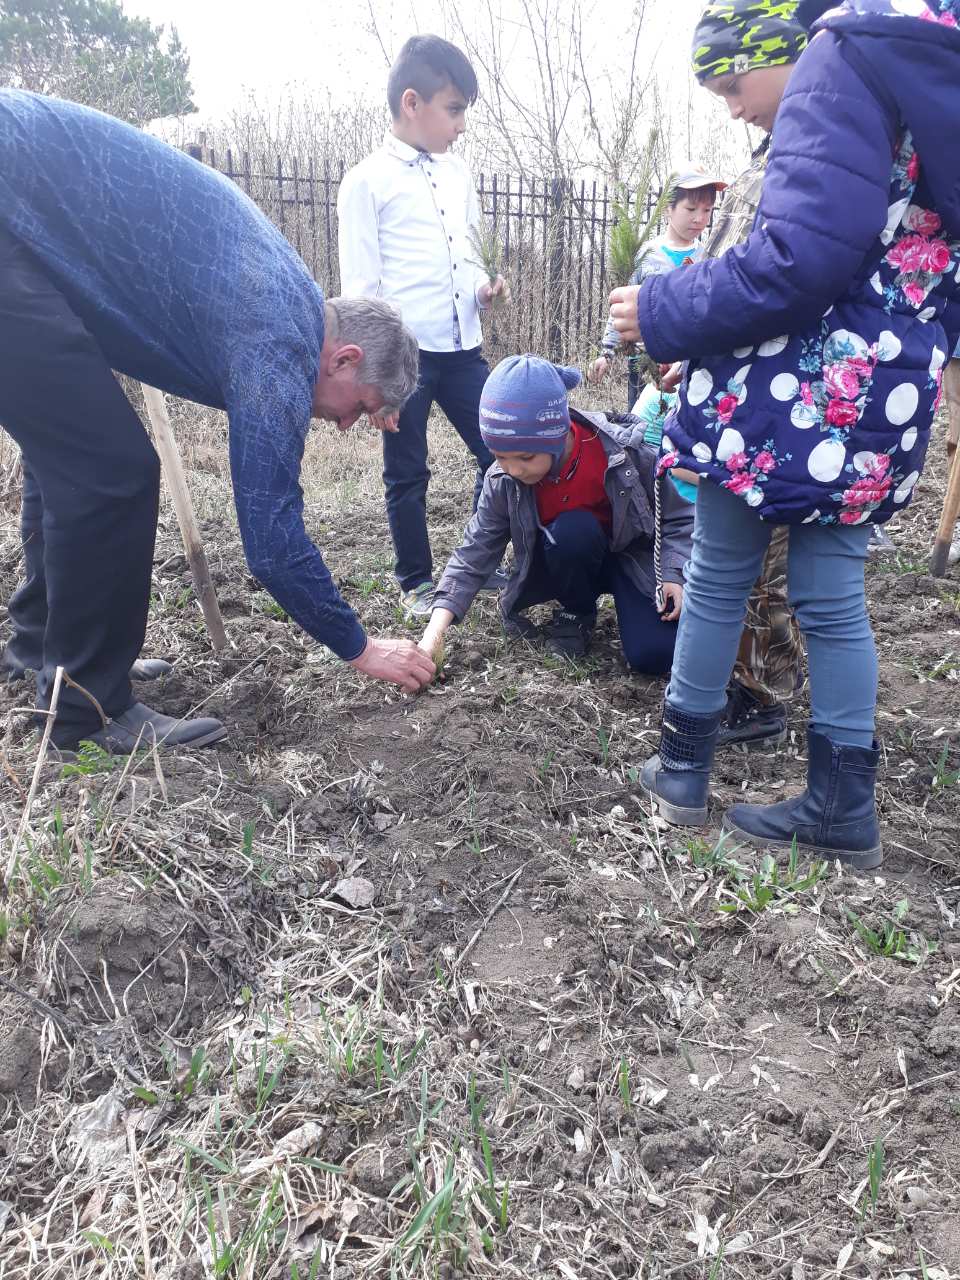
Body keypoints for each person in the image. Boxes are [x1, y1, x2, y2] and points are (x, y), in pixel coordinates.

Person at [609, 0, 960, 869]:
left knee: (719, 571)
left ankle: (681, 771)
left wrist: (662, 310)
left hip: (780, 392)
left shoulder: (841, 55)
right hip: (880, 395)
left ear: (786, 47)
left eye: (734, 83)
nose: (733, 107)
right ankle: (841, 805)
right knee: (832, 597)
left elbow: (796, 260)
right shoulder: (934, 71)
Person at [0, 89, 435, 755]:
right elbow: (271, 539)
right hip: (12, 210)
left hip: (23, 214)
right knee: (112, 473)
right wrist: (361, 647)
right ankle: (85, 711)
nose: (348, 424)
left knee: (71, 456)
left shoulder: (287, 294)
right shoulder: (280, 341)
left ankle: (47, 653)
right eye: (362, 406)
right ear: (345, 358)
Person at [338, 35, 510, 621]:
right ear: (412, 103)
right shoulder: (366, 182)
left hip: (464, 351)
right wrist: (376, 380)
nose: (461, 125)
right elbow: (361, 291)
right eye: (454, 109)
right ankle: (415, 581)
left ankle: (481, 564)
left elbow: (472, 257)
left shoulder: (459, 175)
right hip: (405, 360)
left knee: (501, 454)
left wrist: (485, 288)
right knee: (407, 473)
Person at [417, 356, 693, 672]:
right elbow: (474, 551)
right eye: (500, 456)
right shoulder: (503, 478)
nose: (513, 469)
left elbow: (680, 518)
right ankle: (577, 610)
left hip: (631, 559)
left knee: (655, 654)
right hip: (569, 560)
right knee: (573, 531)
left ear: (558, 435)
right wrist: (433, 633)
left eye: (525, 457)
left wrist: (674, 573)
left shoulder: (624, 454)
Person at [588, 168, 724, 411]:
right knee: (641, 425)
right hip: (646, 364)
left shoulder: (708, 258)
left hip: (689, 366)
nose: (699, 218)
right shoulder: (646, 255)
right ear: (667, 209)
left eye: (707, 210)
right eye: (691, 209)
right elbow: (622, 307)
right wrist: (606, 352)